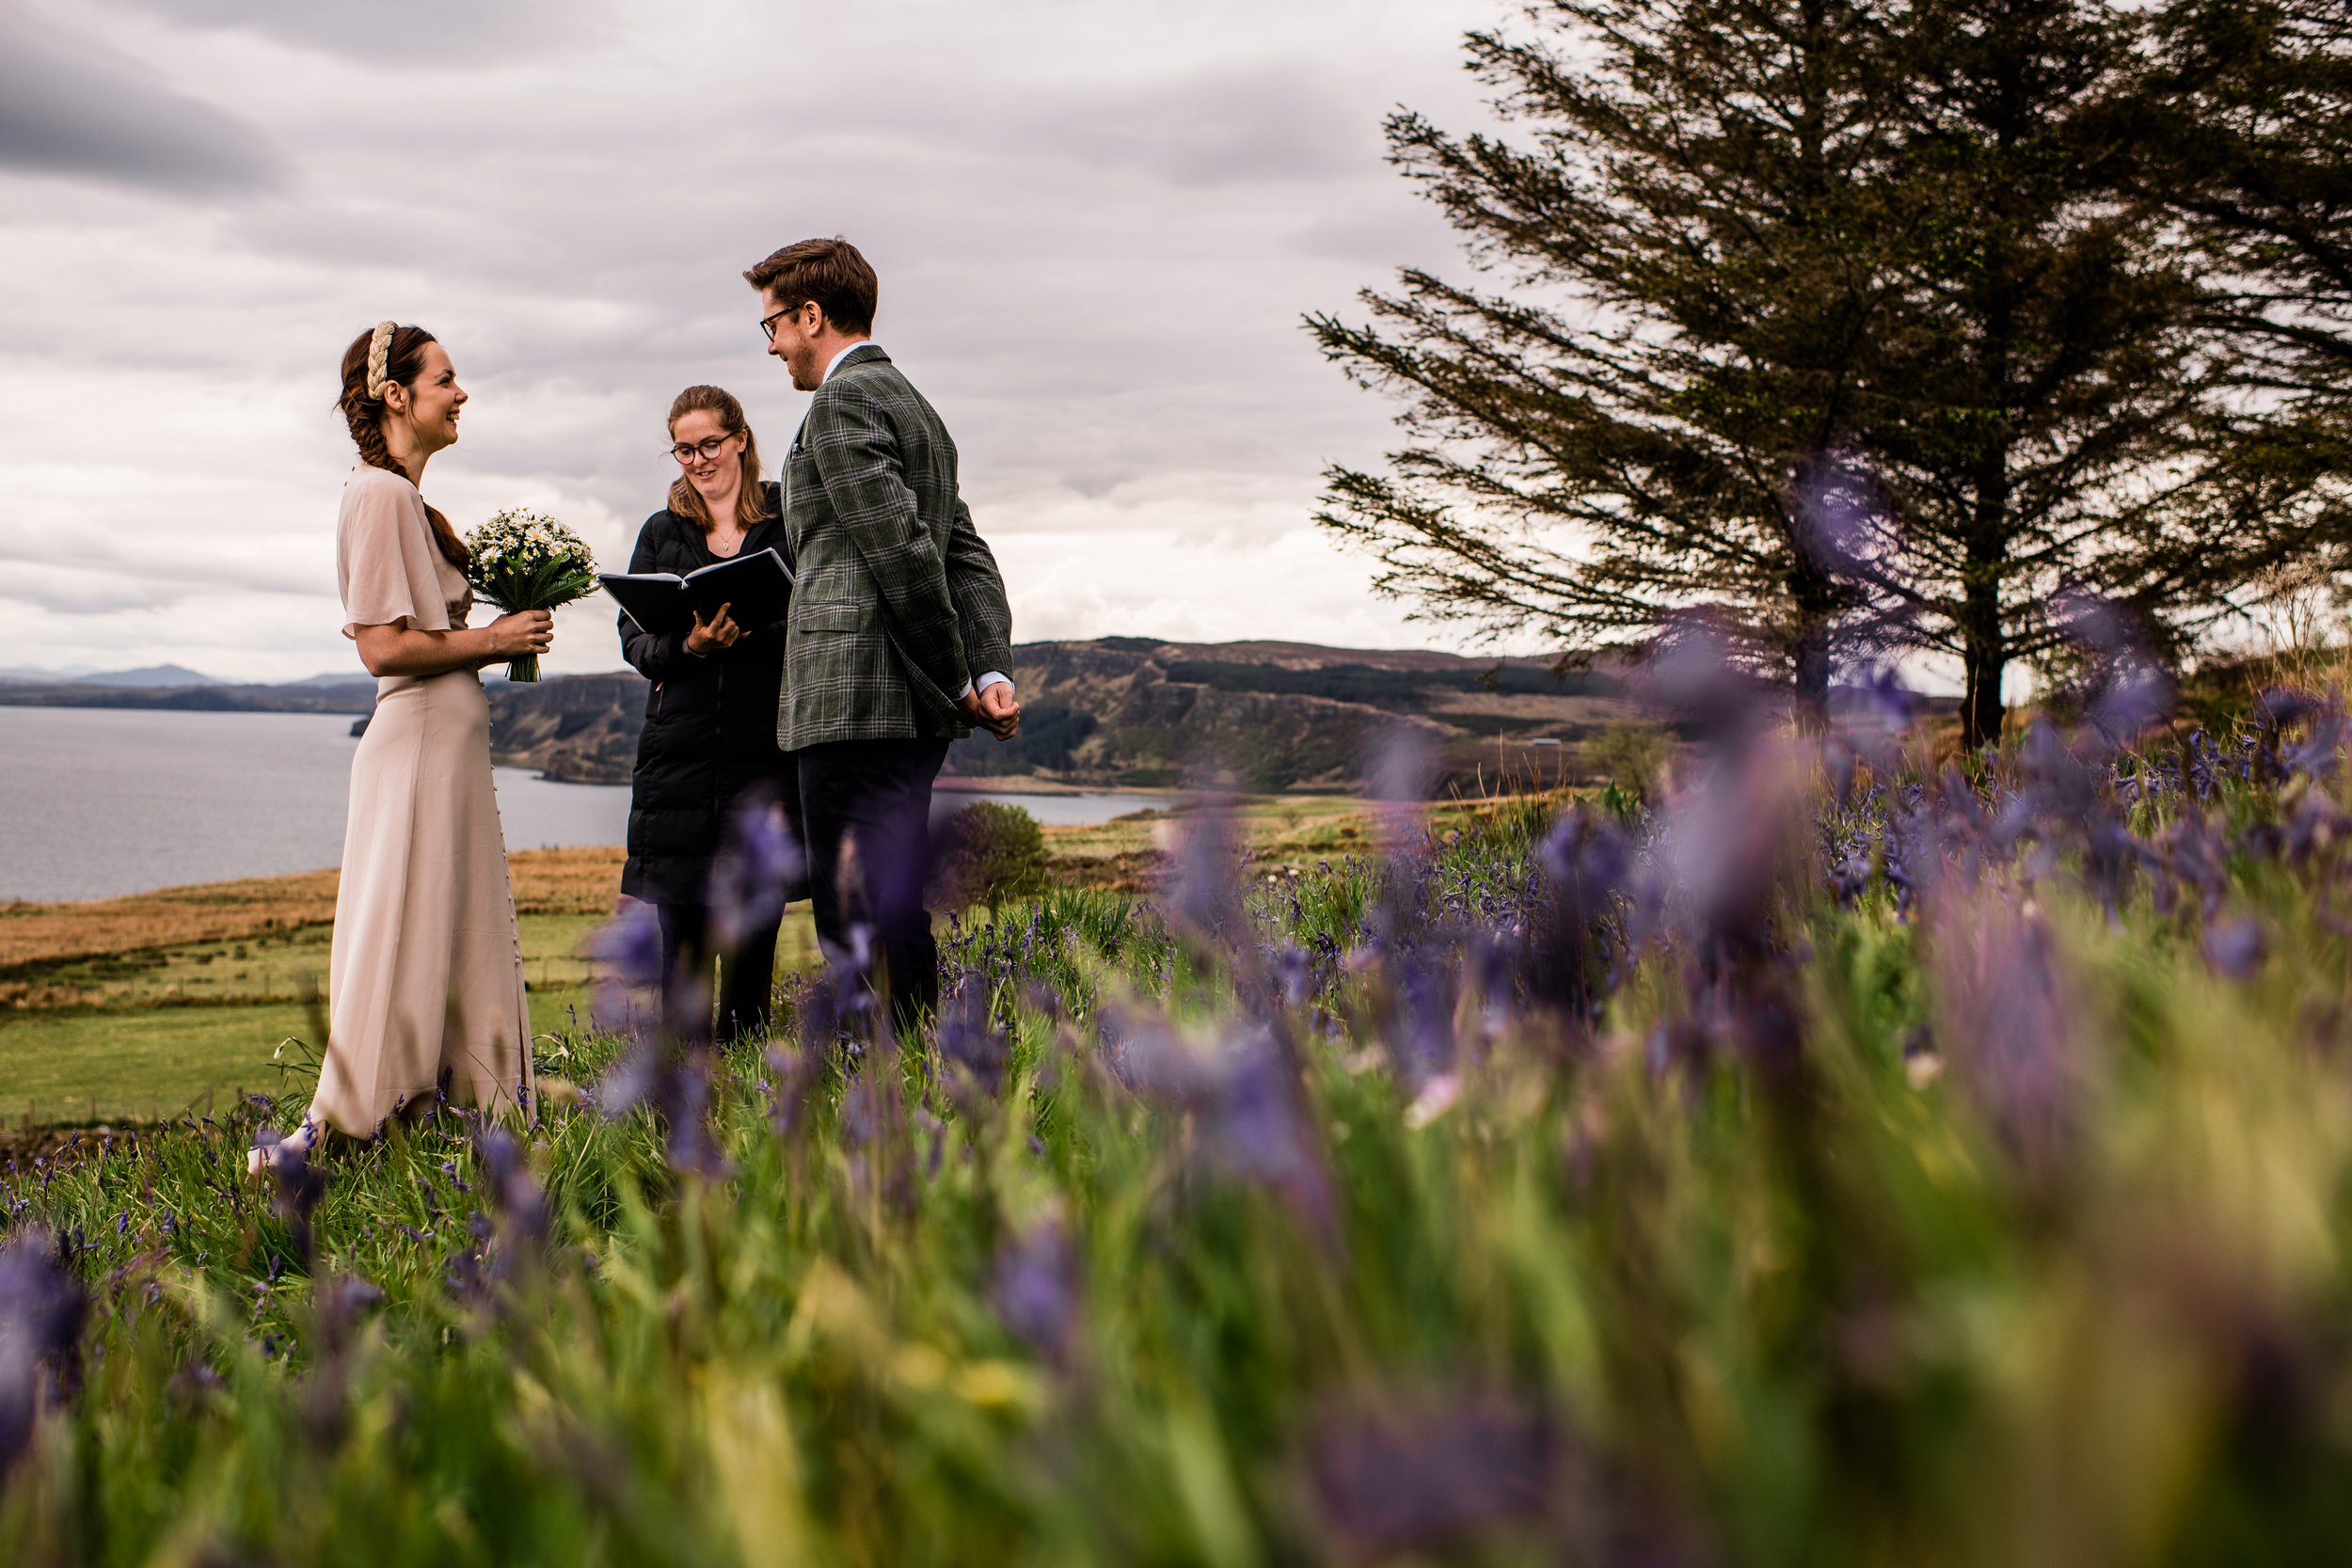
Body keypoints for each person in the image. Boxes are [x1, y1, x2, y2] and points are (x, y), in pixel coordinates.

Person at [251, 323, 549, 1175]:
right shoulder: (379, 496)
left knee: (449, 924)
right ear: (396, 395)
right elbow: (382, 646)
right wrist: (492, 641)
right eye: (447, 380)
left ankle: (449, 1105)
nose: (461, 395)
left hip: (440, 748)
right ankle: (343, 1127)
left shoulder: (404, 499)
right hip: (416, 742)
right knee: (404, 926)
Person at [749, 236, 1019, 1024]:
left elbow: (905, 553)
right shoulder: (916, 407)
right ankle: (921, 1080)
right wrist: (989, 665)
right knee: (894, 906)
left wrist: (960, 679)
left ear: (811, 315)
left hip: (853, 705)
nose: (770, 345)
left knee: (854, 915)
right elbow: (964, 551)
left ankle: (881, 1100)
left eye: (772, 325)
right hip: (902, 714)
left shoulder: (840, 403)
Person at [618, 386, 803, 1043]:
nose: (697, 460)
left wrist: (754, 633)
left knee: (753, 950)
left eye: (710, 445)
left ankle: (749, 1109)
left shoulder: (787, 521)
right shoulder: (661, 533)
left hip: (765, 760)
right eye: (684, 449)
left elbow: (816, 622)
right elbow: (635, 641)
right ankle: (682, 1111)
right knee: (684, 957)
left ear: (741, 439)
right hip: (680, 770)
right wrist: (691, 646)